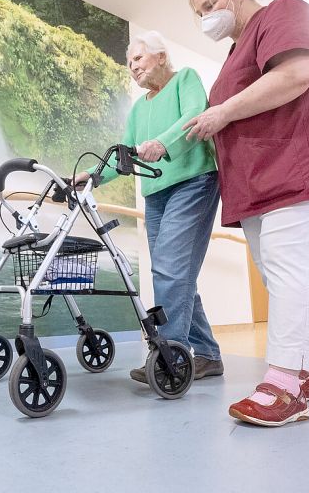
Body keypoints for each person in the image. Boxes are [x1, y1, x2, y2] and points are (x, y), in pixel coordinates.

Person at [184, 0, 309, 426]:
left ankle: (284, 384)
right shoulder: (234, 54)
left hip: (291, 170)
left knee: (289, 276)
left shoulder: (285, 11)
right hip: (256, 182)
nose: (206, 17)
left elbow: (298, 72)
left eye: (211, 4)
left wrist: (222, 113)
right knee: (282, 280)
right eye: (198, 12)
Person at [73, 31, 223, 384]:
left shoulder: (185, 79)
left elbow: (195, 116)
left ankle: (168, 355)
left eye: (137, 59)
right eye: (128, 64)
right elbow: (122, 154)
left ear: (159, 56)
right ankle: (207, 355)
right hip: (156, 195)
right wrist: (92, 177)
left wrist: (161, 143)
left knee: (170, 271)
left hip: (194, 183)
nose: (132, 68)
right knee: (175, 274)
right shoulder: (139, 107)